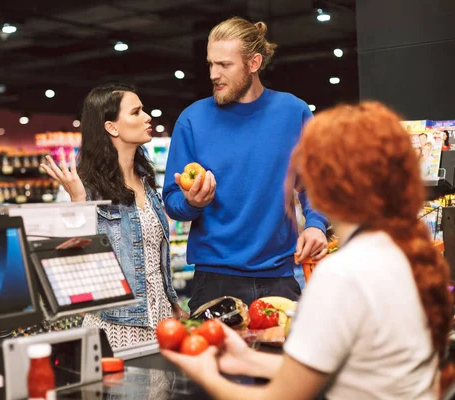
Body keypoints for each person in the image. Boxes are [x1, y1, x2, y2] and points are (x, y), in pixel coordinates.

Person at [162, 101, 453, 399]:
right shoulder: (400, 254)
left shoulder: (342, 274)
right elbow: (347, 371)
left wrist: (204, 374)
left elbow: (278, 397)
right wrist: (247, 358)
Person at [162, 17, 328, 312]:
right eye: (211, 64)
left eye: (224, 65)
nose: (214, 74)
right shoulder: (192, 119)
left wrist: (316, 226)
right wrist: (192, 203)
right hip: (213, 280)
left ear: (254, 63)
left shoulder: (293, 112)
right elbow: (173, 201)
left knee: (282, 359)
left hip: (279, 277)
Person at [40, 83, 188, 349]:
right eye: (136, 112)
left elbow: (154, 258)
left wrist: (171, 301)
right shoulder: (82, 186)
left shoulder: (146, 180)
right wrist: (77, 201)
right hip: (117, 327)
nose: (147, 117)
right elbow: (69, 265)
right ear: (112, 127)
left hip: (163, 322)